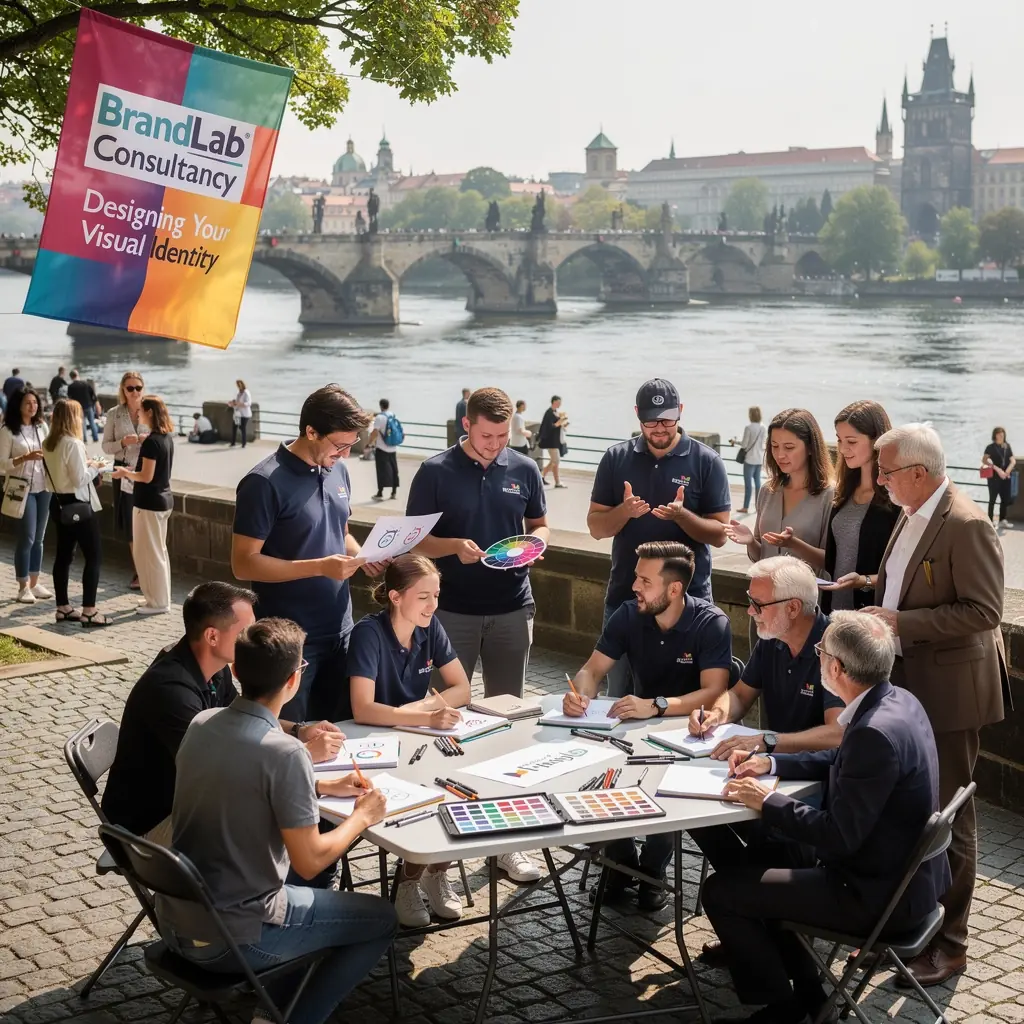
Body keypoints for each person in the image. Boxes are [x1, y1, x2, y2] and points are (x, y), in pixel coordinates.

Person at [702, 612, 949, 1024]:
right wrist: (772, 761)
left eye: (820, 652)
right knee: (777, 863)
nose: (818, 658)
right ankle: (812, 997)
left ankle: (782, 1008)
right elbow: (843, 759)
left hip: (875, 897)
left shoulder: (872, 731)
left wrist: (769, 802)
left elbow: (838, 835)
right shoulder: (896, 701)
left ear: (836, 668)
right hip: (907, 882)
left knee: (721, 891)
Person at [154, 618, 397, 1024]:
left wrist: (321, 788)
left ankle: (273, 1004)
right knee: (382, 918)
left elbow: (241, 785)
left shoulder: (202, 723)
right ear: (293, 679)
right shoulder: (286, 754)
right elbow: (309, 860)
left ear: (235, 670)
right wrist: (361, 818)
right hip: (236, 938)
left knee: (317, 886)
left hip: (178, 920)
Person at [863, 422, 1008, 986]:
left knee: (950, 819)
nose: (879, 480)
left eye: (887, 471)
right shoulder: (913, 509)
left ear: (918, 474)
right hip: (907, 683)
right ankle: (906, 932)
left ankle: (950, 946)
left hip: (949, 693)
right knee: (904, 814)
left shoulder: (967, 523)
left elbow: (984, 611)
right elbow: (905, 582)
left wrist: (902, 621)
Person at [406, 386, 548, 884]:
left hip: (513, 607)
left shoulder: (524, 468)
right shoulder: (435, 470)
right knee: (447, 728)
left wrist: (537, 544)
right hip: (454, 613)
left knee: (510, 727)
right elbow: (413, 538)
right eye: (486, 435)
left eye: (502, 436)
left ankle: (504, 844)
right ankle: (438, 859)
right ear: (466, 425)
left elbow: (541, 524)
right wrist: (453, 548)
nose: (494, 445)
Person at [100, 583, 345, 844]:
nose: (252, 638)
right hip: (146, 827)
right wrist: (303, 757)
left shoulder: (214, 667)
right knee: (270, 827)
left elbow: (243, 717)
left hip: (187, 802)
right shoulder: (171, 691)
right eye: (244, 631)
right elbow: (224, 775)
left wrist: (299, 730)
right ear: (212, 637)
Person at [562, 541, 732, 910]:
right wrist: (581, 695)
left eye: (644, 580)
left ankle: (654, 870)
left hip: (690, 735)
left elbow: (715, 690)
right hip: (634, 730)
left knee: (671, 787)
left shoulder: (711, 622)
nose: (634, 586)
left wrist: (656, 706)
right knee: (598, 773)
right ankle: (621, 864)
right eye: (635, 577)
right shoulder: (628, 614)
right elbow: (592, 670)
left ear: (674, 589)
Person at [232, 385, 380, 723]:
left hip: (341, 629)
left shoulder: (338, 470)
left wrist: (364, 556)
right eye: (340, 444)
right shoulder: (263, 482)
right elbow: (243, 563)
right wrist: (320, 567)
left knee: (340, 732)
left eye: (351, 445)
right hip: (289, 642)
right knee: (289, 735)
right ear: (311, 431)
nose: (345, 455)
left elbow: (340, 533)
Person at [348, 554, 471, 926]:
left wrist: (419, 710)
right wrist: (425, 713)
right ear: (396, 596)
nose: (433, 605)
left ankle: (436, 873)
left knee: (461, 786)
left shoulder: (430, 627)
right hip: (373, 742)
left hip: (416, 735)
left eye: (436, 595)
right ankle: (406, 882)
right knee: (426, 795)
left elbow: (462, 688)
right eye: (423, 597)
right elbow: (364, 710)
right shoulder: (368, 633)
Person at [588, 378, 731, 698]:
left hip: (689, 604)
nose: (660, 428)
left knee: (689, 699)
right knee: (620, 696)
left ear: (680, 412)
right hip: (627, 599)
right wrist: (624, 511)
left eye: (667, 419)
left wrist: (683, 516)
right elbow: (596, 527)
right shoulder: (615, 458)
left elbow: (721, 535)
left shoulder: (706, 461)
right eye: (651, 421)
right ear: (638, 415)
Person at [725, 407, 834, 571]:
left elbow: (833, 561)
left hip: (807, 594)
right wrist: (750, 542)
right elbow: (760, 557)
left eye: (789, 447)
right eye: (774, 446)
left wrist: (795, 544)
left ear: (811, 447)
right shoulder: (767, 490)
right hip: (766, 592)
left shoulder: (830, 495)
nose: (780, 454)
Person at [820, 400, 899, 613]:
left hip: (870, 620)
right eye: (839, 440)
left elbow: (904, 572)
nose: (843, 449)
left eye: (851, 442)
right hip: (833, 614)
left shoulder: (896, 501)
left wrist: (863, 581)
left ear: (877, 440)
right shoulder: (843, 492)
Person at [40, 399, 107, 626]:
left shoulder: (48, 444)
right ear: (72, 418)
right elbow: (80, 479)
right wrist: (95, 467)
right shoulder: (73, 443)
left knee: (63, 556)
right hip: (79, 505)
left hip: (59, 503)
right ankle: (89, 609)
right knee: (94, 556)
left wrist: (85, 465)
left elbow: (58, 474)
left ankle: (63, 607)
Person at [112, 395, 175, 615]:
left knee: (150, 554)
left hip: (149, 503)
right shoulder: (165, 438)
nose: (137, 414)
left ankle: (157, 603)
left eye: (140, 411)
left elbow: (146, 476)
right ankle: (155, 597)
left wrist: (125, 472)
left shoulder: (151, 442)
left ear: (149, 412)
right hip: (162, 500)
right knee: (157, 552)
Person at [0, 388, 51, 604]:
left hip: (44, 487)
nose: (33, 406)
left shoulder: (42, 426)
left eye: (35, 402)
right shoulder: (7, 430)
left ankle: (34, 581)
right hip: (22, 488)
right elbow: (2, 464)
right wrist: (24, 458)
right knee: (27, 537)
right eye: (28, 403)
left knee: (39, 538)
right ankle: (22, 587)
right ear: (18, 405)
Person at [101, 371, 149, 592]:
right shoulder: (114, 413)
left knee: (148, 521)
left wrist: (150, 441)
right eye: (130, 388)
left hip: (147, 470)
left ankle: (150, 570)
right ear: (123, 389)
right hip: (123, 470)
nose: (135, 392)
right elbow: (106, 447)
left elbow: (166, 435)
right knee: (130, 525)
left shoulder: (151, 410)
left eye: (138, 388)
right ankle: (139, 571)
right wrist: (122, 441)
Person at [730, 406, 766, 514]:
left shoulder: (749, 427)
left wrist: (735, 442)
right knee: (758, 483)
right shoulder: (763, 427)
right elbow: (763, 444)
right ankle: (758, 507)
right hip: (759, 459)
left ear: (750, 415)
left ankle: (745, 507)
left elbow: (745, 444)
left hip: (750, 459)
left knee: (748, 484)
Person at [982, 426, 1016, 527]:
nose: (1001, 436)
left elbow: (1013, 460)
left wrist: (1007, 472)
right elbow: (984, 460)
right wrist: (997, 469)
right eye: (998, 434)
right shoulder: (990, 447)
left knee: (1005, 499)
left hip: (1005, 477)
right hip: (994, 478)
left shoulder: (1007, 446)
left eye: (1002, 434)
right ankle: (990, 521)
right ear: (995, 435)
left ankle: (1002, 520)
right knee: (992, 499)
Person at [368, 398, 399, 502]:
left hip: (382, 448)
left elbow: (374, 433)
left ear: (380, 405)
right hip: (393, 448)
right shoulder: (393, 415)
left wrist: (369, 443)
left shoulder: (380, 418)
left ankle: (380, 493)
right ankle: (394, 492)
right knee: (394, 470)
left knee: (381, 471)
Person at [538, 395, 569, 488]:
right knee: (556, 461)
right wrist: (559, 423)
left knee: (554, 461)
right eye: (559, 402)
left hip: (555, 441)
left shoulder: (556, 412)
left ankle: (552, 480)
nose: (560, 404)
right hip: (551, 442)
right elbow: (548, 427)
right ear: (554, 402)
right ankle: (542, 476)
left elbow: (556, 426)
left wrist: (563, 424)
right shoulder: (549, 413)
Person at [67, 370, 100, 443]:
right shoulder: (85, 384)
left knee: (82, 424)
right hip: (89, 406)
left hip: (79, 408)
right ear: (77, 375)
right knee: (92, 422)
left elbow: (70, 399)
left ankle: (84, 439)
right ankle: (95, 438)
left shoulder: (71, 387)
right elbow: (93, 394)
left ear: (71, 377)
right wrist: (95, 404)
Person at [229, 379, 252, 447]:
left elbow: (248, 403)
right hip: (238, 414)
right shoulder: (238, 393)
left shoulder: (246, 392)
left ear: (242, 384)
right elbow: (236, 402)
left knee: (242, 428)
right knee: (234, 427)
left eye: (239, 384)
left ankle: (244, 444)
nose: (238, 386)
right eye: (237, 385)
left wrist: (240, 404)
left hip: (245, 414)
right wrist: (233, 403)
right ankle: (233, 443)